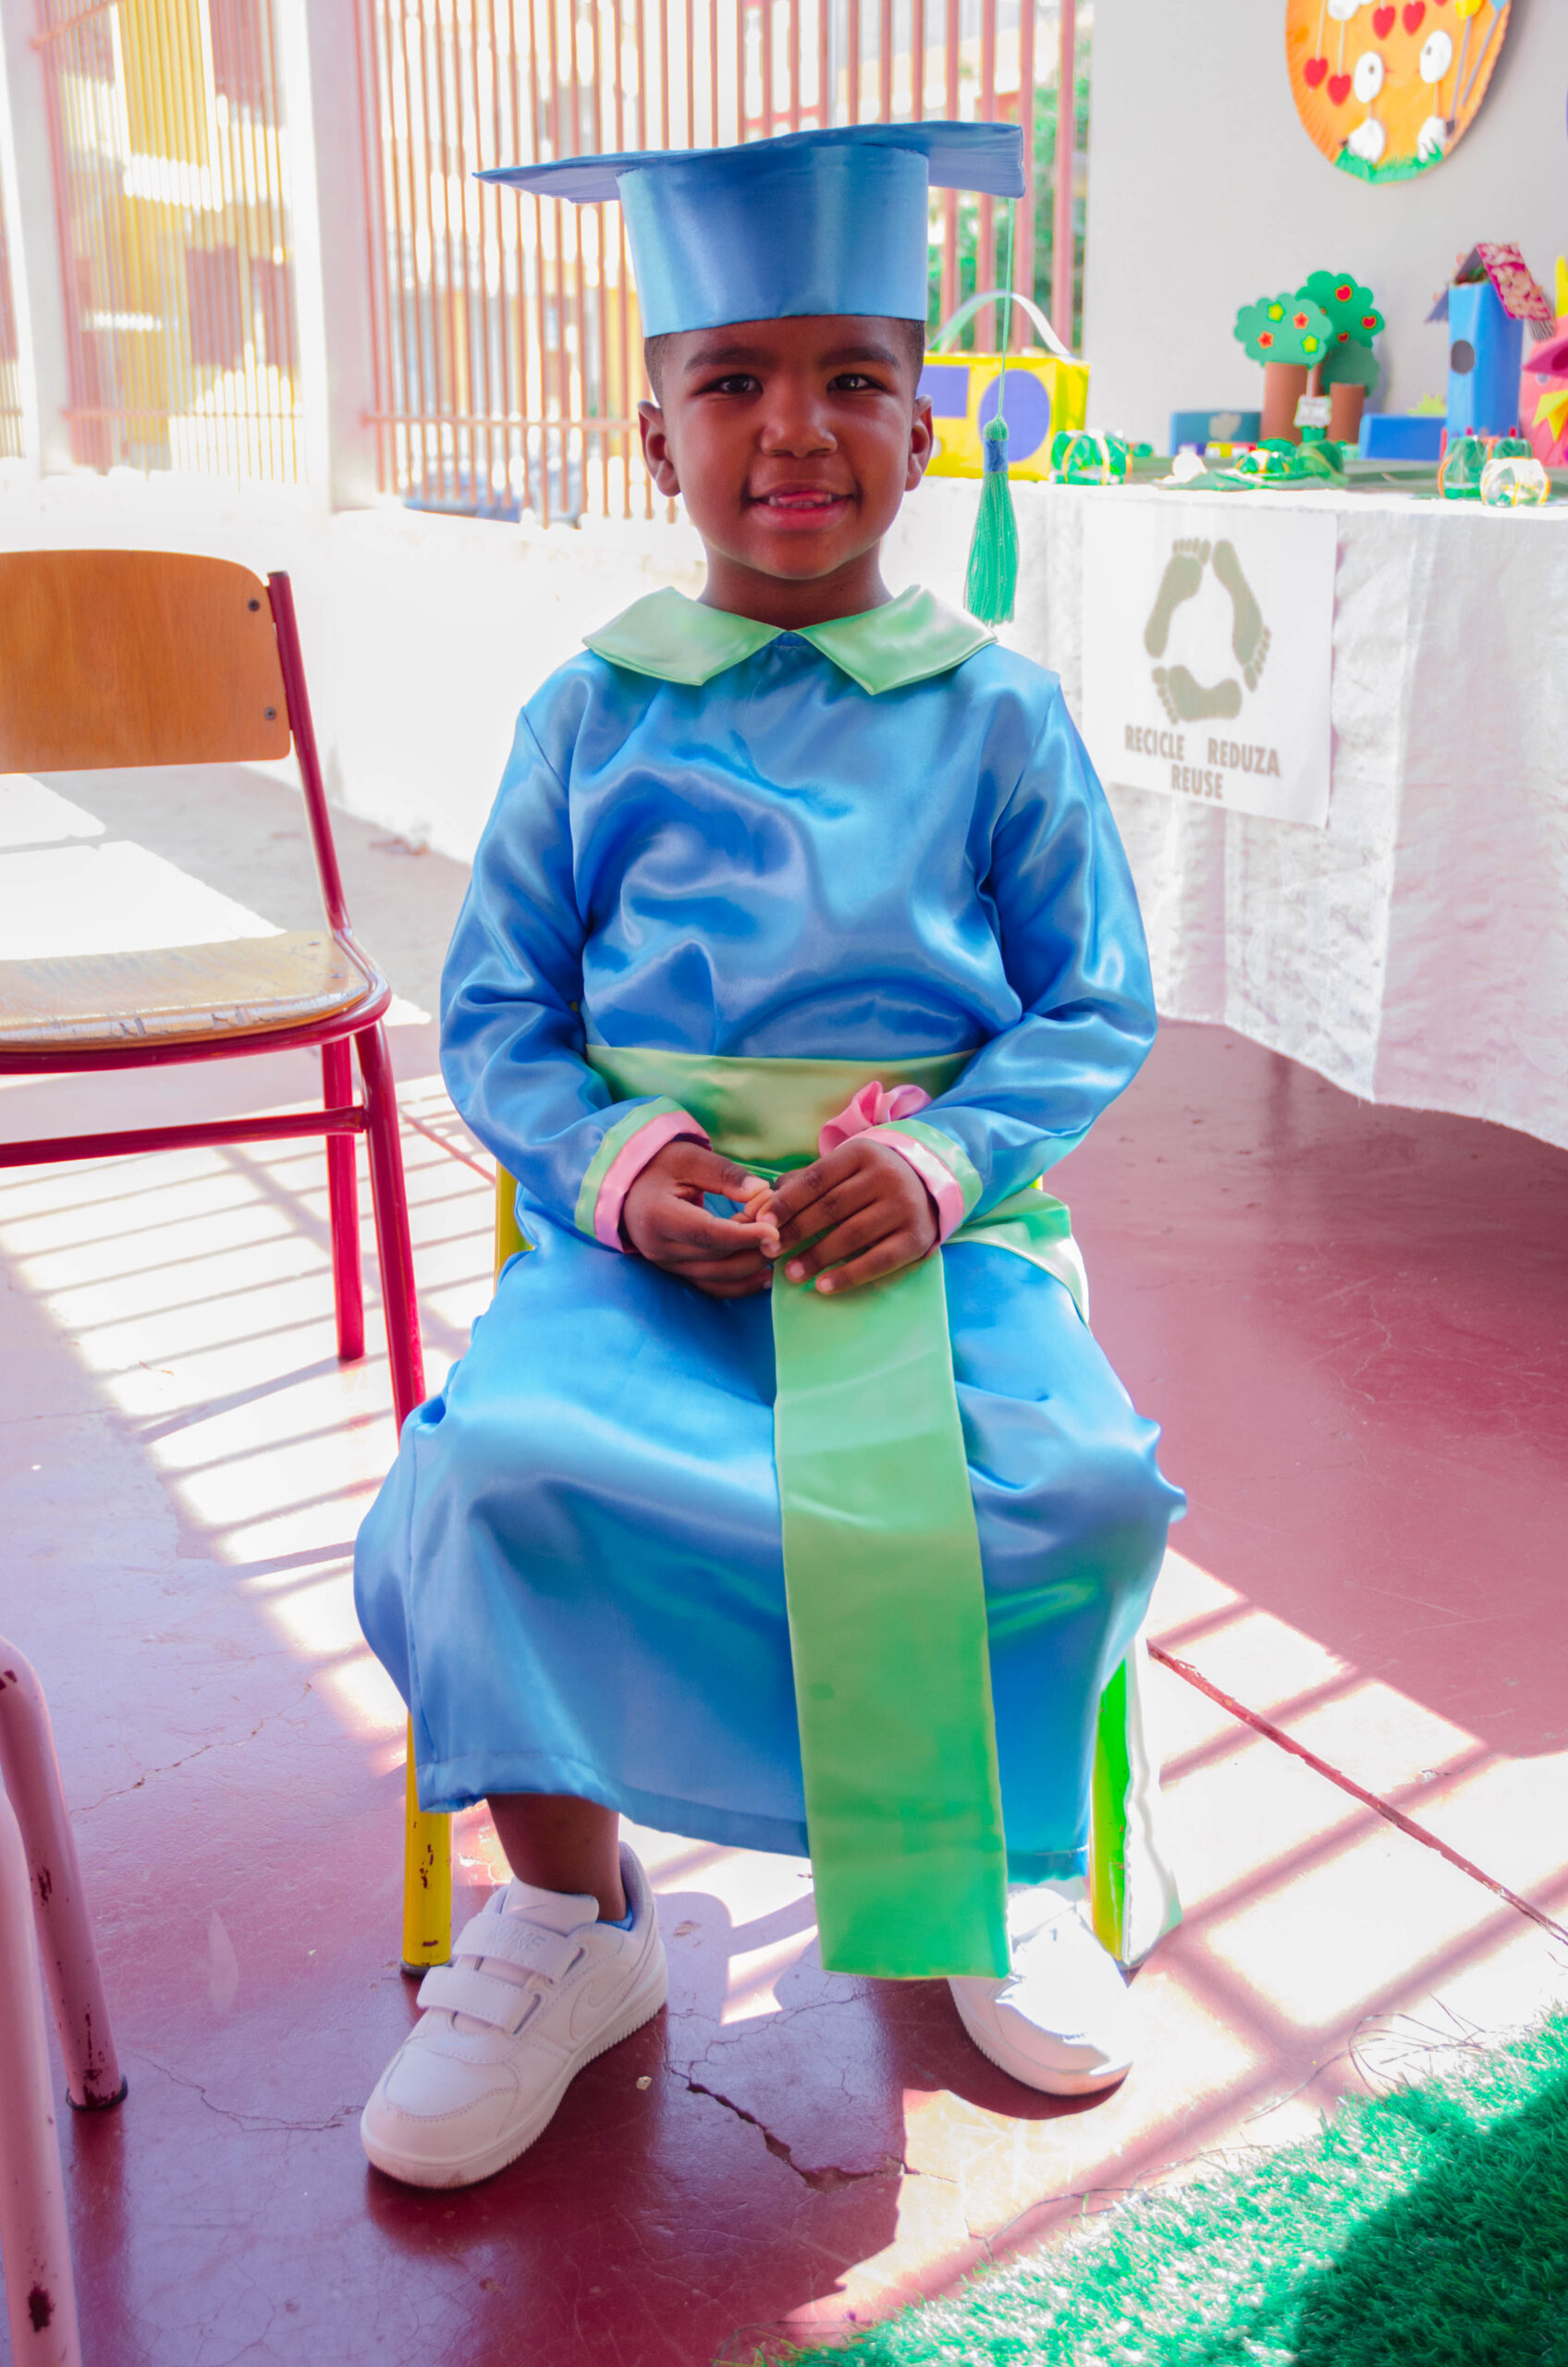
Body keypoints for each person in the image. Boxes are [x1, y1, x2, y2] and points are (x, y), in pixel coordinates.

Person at [354, 120, 1184, 2192]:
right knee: (497, 1472)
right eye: (732, 379)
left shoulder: (997, 716)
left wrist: (950, 1160)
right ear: (657, 437)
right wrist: (624, 1169)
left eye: (851, 378)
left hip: (933, 1242)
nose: (794, 427)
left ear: (923, 423)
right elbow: (496, 1013)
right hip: (653, 1250)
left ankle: (990, 1870)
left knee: (1077, 1487)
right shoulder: (590, 716)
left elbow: (1092, 998)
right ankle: (570, 1915)